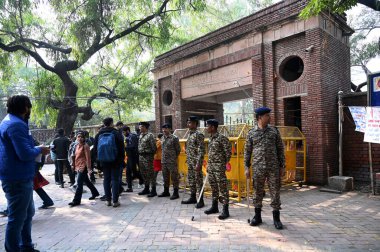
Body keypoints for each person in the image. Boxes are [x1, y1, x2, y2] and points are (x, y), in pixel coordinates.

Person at [0, 95, 50, 252]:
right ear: (25, 107)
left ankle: (26, 246)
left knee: (28, 213)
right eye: (29, 107)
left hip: (18, 175)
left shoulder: (9, 121)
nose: (30, 110)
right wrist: (40, 149)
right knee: (17, 218)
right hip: (17, 177)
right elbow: (24, 154)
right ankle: (13, 249)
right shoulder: (16, 125)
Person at [244, 106, 285, 229]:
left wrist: (282, 166)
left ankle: (276, 219)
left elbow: (280, 149)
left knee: (275, 192)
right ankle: (257, 217)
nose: (269, 117)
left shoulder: (274, 131)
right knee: (257, 192)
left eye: (269, 115)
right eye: (267, 115)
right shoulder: (251, 133)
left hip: (273, 167)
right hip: (258, 168)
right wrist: (246, 167)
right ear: (259, 118)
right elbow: (247, 151)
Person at [204, 119, 232, 220]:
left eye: (208, 126)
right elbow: (211, 154)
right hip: (211, 167)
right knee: (214, 188)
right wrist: (209, 165)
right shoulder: (211, 138)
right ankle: (214, 207)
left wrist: (222, 164)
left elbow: (228, 153)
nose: (206, 128)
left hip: (219, 168)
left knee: (223, 189)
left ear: (213, 127)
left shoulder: (222, 138)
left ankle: (225, 210)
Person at [93, 118, 124, 207]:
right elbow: (121, 148)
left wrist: (98, 161)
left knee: (106, 179)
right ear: (111, 123)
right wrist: (121, 160)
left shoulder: (99, 134)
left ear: (104, 124)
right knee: (115, 180)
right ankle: (115, 201)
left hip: (103, 160)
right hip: (115, 160)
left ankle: (108, 200)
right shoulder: (116, 133)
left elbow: (95, 149)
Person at [68, 131, 100, 207]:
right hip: (77, 166)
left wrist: (89, 169)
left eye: (81, 137)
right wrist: (73, 165)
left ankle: (76, 201)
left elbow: (88, 158)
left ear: (84, 138)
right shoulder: (76, 145)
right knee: (87, 181)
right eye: (78, 137)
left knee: (79, 184)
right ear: (76, 137)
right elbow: (74, 156)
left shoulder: (85, 146)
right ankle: (95, 193)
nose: (80, 138)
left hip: (83, 166)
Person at [181, 116, 206, 209]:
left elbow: (201, 150)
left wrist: (199, 163)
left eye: (190, 122)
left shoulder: (198, 134)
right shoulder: (190, 134)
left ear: (195, 124)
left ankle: (201, 200)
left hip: (196, 162)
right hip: (190, 161)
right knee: (191, 180)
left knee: (198, 181)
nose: (188, 124)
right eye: (188, 122)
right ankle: (193, 197)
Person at [158, 124, 181, 200]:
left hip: (172, 161)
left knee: (174, 177)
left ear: (170, 129)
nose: (164, 130)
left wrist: (173, 157)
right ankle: (166, 191)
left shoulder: (174, 138)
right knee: (165, 177)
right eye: (163, 129)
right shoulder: (162, 138)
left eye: (166, 128)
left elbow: (178, 150)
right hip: (163, 161)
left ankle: (175, 193)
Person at [137, 121, 157, 197]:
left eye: (141, 126)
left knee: (151, 174)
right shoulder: (140, 135)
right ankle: (146, 188)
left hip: (148, 157)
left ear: (145, 127)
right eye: (139, 126)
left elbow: (154, 148)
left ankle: (153, 190)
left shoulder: (150, 135)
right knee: (143, 173)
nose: (140, 128)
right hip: (141, 157)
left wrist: (145, 151)